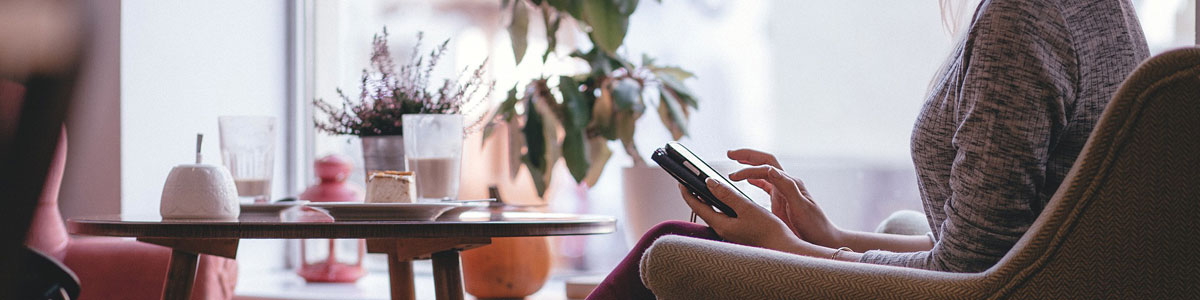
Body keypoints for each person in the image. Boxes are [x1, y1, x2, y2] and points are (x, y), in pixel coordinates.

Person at [587, 0, 1149, 298]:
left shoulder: (1020, 20)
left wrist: (783, 245)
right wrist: (829, 237)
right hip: (1029, 279)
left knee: (671, 250)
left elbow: (969, 275)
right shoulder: (1101, 10)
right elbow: (1001, 242)